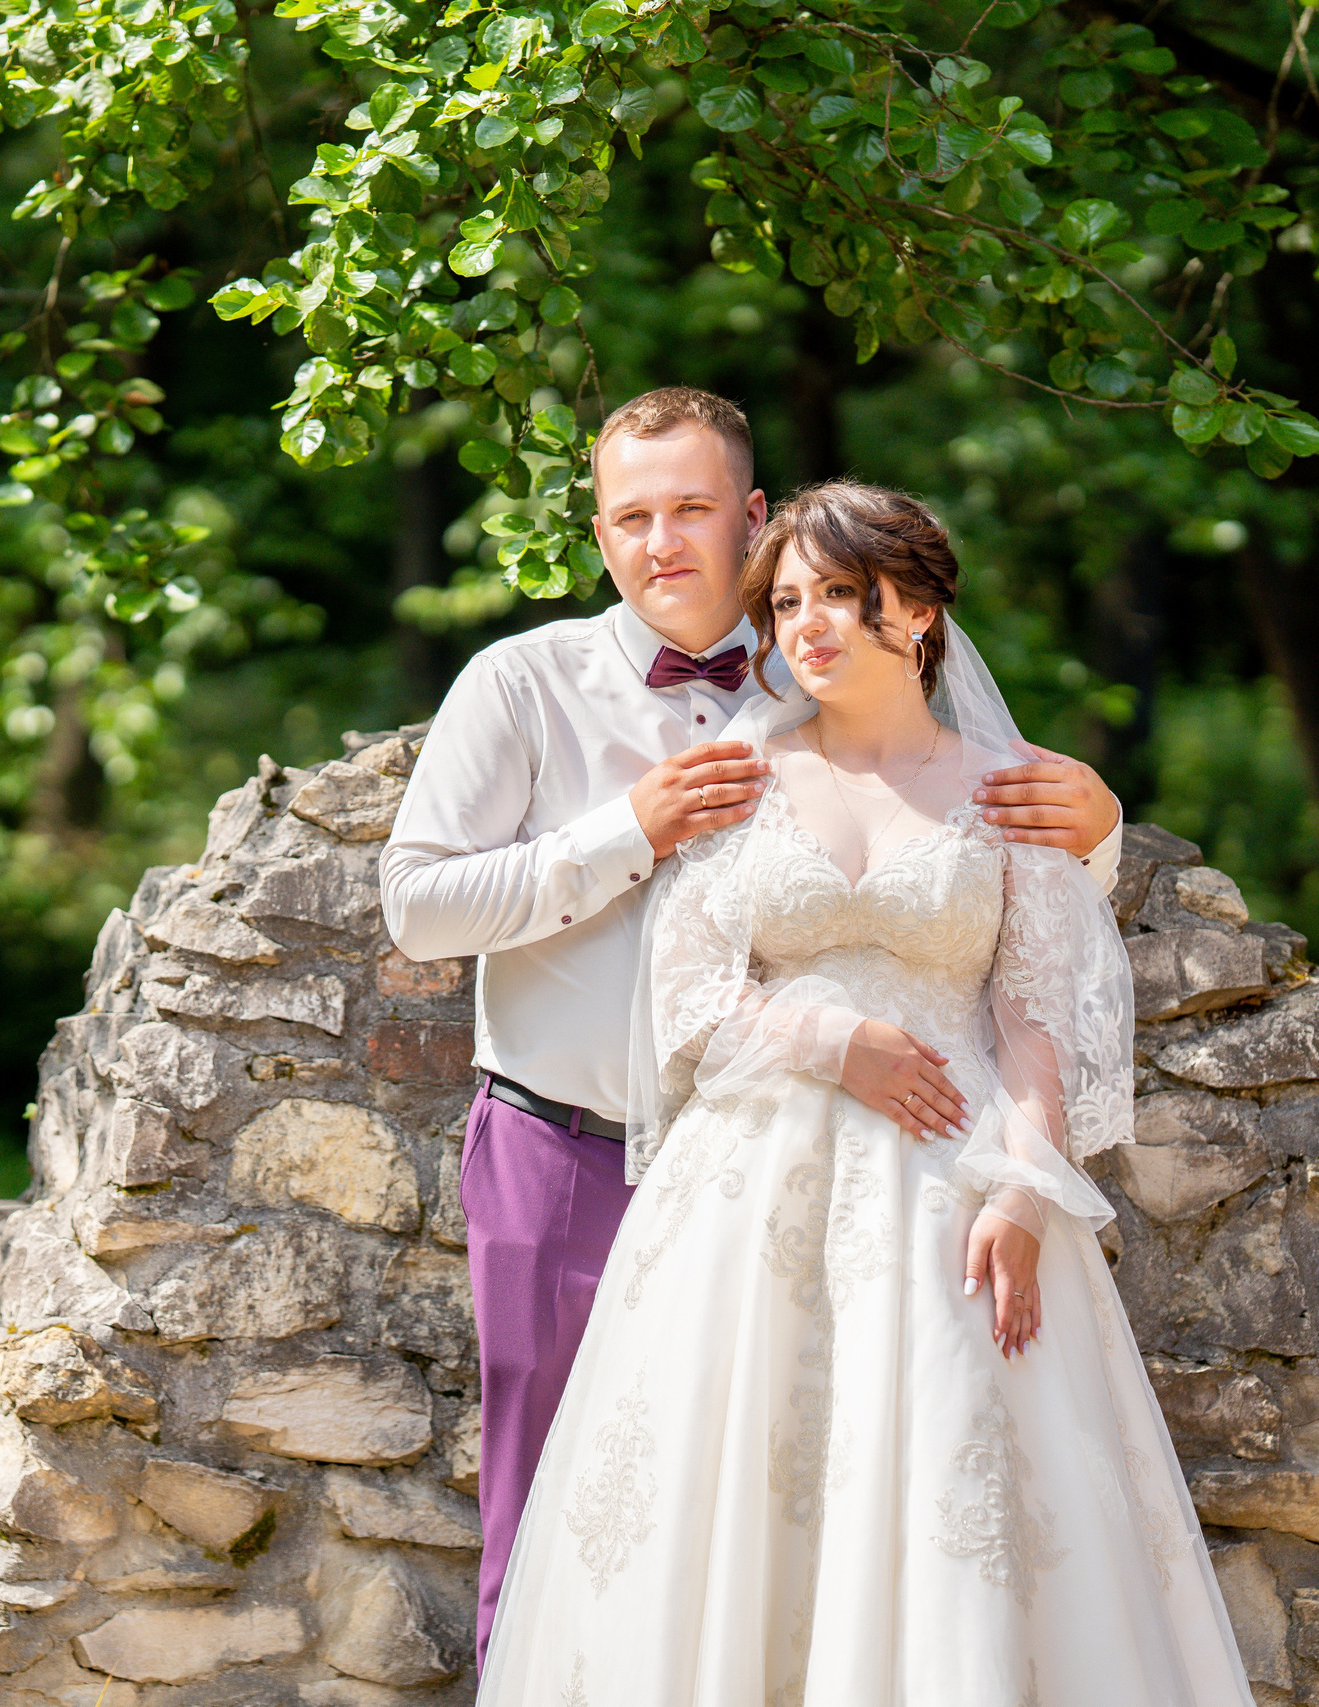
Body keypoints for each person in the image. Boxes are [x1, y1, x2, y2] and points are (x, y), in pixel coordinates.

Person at [469, 481, 1252, 1705]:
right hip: (746, 1197)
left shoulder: (1004, 790)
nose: (809, 626)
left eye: (842, 594)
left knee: (951, 1482)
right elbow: (686, 1006)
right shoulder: (739, 772)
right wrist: (834, 1041)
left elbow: (1035, 1022)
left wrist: (1024, 1191)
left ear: (923, 606)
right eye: (785, 603)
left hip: (951, 1187)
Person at [379, 390, 1125, 1668]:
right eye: (630, 516)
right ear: (600, 532)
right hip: (571, 1149)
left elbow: (991, 899)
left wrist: (1098, 827)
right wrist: (634, 829)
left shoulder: (824, 663)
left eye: (691, 510)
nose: (661, 541)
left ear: (754, 519)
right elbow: (417, 908)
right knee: (572, 1522)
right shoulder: (522, 684)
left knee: (832, 1517)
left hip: (831, 1171)